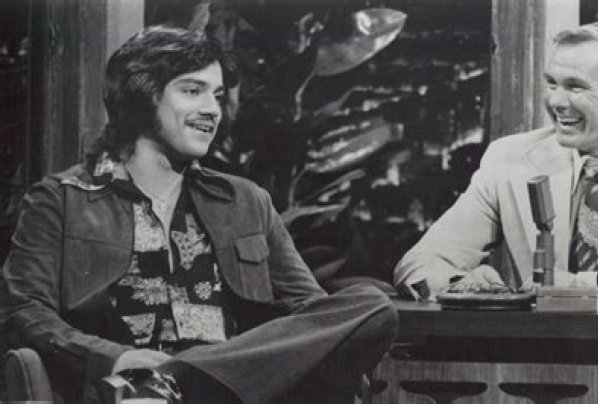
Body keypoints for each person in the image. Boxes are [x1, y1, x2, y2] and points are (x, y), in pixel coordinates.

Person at [1, 25, 397, 403]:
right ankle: (165, 385)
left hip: (231, 395)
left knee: (371, 305)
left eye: (218, 96)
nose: (212, 110)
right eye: (193, 91)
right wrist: (116, 358)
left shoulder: (247, 201)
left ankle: (177, 380)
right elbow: (22, 311)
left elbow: (309, 310)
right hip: (122, 393)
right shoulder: (59, 200)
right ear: (141, 96)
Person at [395, 21, 598, 305]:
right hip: (540, 352)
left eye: (575, 86)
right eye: (552, 83)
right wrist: (460, 285)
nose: (555, 101)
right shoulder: (508, 160)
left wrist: (585, 286)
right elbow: (419, 263)